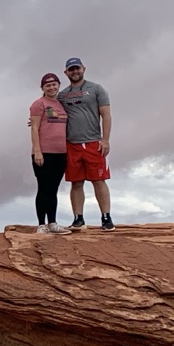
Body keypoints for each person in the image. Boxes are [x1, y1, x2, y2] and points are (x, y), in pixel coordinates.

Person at [56, 58, 114, 229]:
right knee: (76, 182)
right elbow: (50, 110)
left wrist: (105, 139)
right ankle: (78, 219)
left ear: (83, 69)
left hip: (93, 142)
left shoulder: (96, 89)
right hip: (72, 144)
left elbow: (106, 115)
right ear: (66, 72)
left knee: (99, 180)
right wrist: (36, 118)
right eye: (71, 69)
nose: (75, 72)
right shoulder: (62, 95)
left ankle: (106, 218)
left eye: (77, 68)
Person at [29, 73, 71, 233]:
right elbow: (34, 127)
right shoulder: (39, 104)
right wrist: (37, 151)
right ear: (42, 88)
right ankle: (41, 224)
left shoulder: (61, 104)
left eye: (54, 84)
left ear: (58, 85)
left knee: (54, 189)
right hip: (44, 152)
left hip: (61, 152)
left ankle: (52, 223)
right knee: (43, 188)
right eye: (48, 85)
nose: (51, 88)